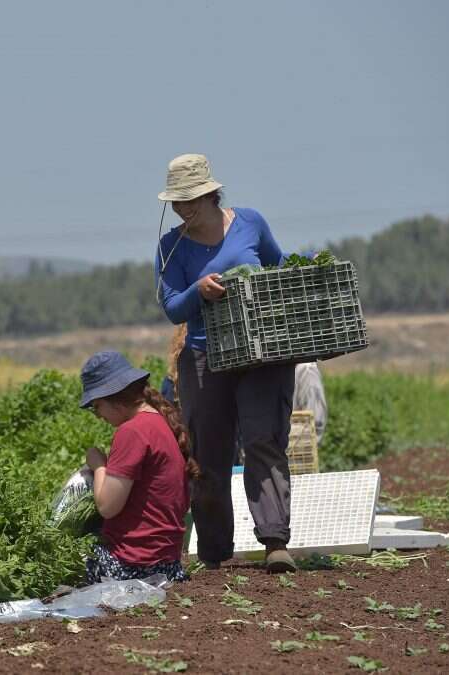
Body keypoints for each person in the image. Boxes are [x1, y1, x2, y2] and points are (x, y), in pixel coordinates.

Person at [154, 153, 297, 573]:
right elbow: (174, 309)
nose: (182, 209)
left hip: (258, 352)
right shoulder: (170, 247)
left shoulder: (251, 223)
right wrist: (199, 290)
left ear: (210, 194)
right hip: (203, 355)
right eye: (176, 203)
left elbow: (280, 267)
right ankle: (215, 552)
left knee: (261, 440)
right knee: (208, 455)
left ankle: (275, 544)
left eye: (190, 200)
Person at [80, 350, 200, 584]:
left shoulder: (132, 431)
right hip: (167, 564)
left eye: (97, 407)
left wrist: (98, 466)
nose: (98, 416)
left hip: (131, 566)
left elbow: (107, 507)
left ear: (113, 398)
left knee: (61, 557)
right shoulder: (157, 421)